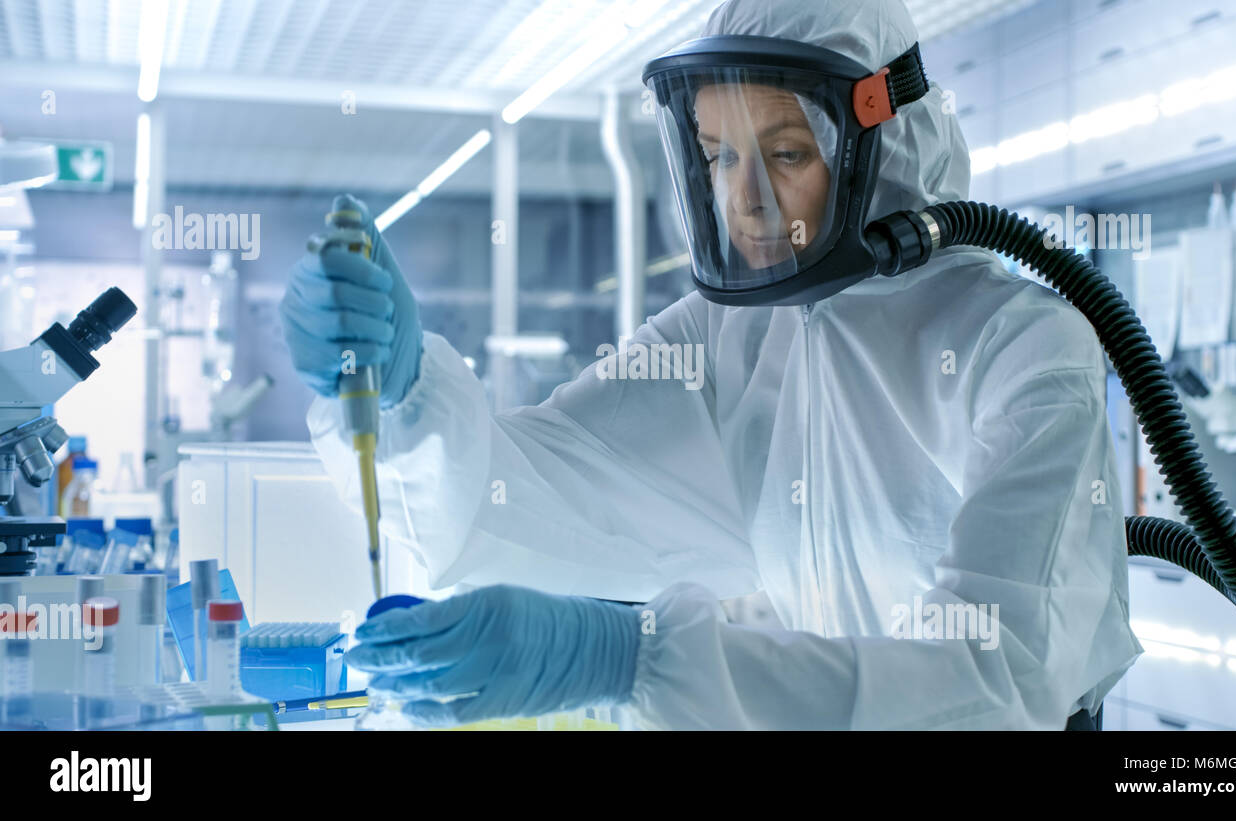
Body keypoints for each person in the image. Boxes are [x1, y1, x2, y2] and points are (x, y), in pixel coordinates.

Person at [279, 0, 1142, 730]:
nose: (743, 197)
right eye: (719, 153)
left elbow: (991, 686)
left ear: (881, 141)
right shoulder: (734, 334)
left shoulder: (1024, 351)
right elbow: (533, 488)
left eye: (787, 152)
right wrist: (402, 394)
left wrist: (628, 660)